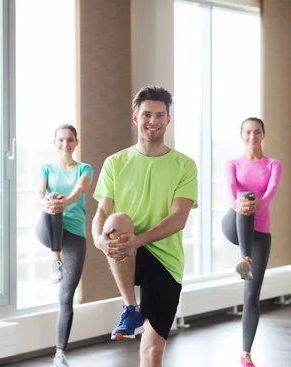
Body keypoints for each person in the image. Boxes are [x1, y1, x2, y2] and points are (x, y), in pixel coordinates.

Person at [92, 86, 198, 367]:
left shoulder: (185, 165)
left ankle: (138, 317)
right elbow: (101, 212)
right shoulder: (115, 163)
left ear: (168, 120)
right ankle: (130, 307)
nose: (154, 120)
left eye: (160, 115)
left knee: (152, 352)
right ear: (136, 118)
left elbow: (179, 218)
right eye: (147, 114)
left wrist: (140, 240)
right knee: (117, 220)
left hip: (165, 259)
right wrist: (98, 239)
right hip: (127, 253)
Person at [221, 117, 282, 367]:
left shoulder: (273, 164)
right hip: (233, 224)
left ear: (263, 134)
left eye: (257, 132)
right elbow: (231, 191)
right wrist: (244, 203)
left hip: (260, 234)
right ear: (241, 135)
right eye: (248, 132)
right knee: (245, 197)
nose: (252, 137)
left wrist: (260, 204)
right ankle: (244, 258)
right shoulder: (233, 164)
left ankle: (246, 354)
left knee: (251, 295)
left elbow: (271, 191)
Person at [34, 124, 93, 367]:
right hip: (48, 230)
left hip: (74, 234)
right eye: (61, 140)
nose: (65, 144)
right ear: (55, 142)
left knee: (66, 296)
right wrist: (48, 203)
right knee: (53, 198)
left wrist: (65, 202)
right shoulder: (46, 168)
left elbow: (81, 189)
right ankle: (55, 258)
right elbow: (39, 192)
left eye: (70, 140)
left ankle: (59, 354)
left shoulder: (84, 168)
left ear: (76, 143)